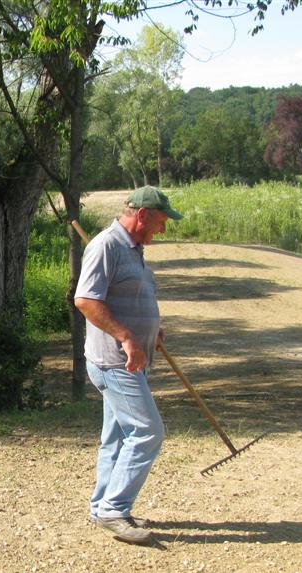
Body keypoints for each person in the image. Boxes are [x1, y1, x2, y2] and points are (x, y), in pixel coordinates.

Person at [73, 186, 183, 545]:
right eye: (161, 222)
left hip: (132, 360)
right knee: (148, 432)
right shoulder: (106, 246)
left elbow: (128, 295)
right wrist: (127, 337)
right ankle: (114, 509)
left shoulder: (133, 247)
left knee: (118, 437)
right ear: (142, 215)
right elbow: (86, 300)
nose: (162, 229)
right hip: (116, 362)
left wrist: (150, 329)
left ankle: (101, 505)